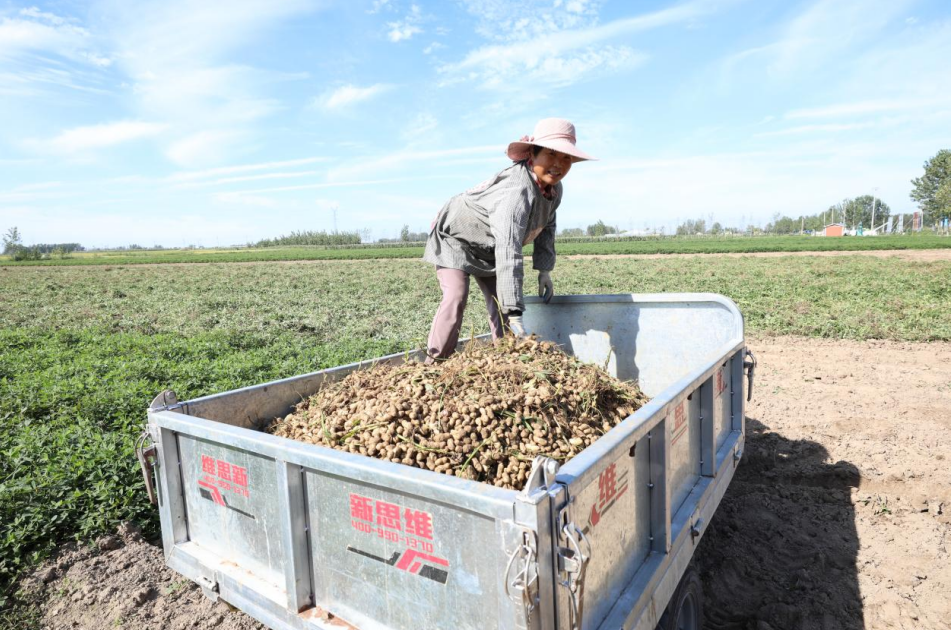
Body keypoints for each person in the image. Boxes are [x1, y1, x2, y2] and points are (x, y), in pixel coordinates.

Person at [422, 117, 597, 361]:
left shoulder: (554, 189)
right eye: (550, 154)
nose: (559, 164)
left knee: (499, 303)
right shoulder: (517, 190)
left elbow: (548, 227)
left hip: (489, 247)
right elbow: (509, 248)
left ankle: (505, 360)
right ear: (532, 155)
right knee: (456, 295)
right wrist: (516, 311)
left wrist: (544, 270)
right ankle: (435, 362)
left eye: (566, 157)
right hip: (457, 238)